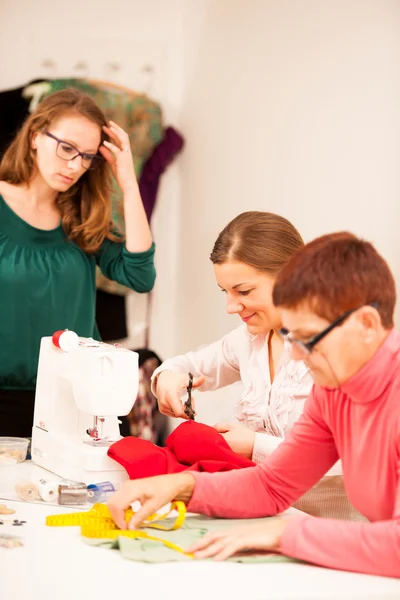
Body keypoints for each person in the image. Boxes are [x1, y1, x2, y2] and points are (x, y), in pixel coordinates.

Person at [108, 232, 400, 578]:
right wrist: (180, 487)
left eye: (307, 339)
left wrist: (282, 534)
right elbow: (273, 486)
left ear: (366, 323)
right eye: (291, 338)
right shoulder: (334, 390)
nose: (295, 354)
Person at [151, 211, 359, 519]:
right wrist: (167, 378)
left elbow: (358, 458)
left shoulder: (345, 345)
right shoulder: (250, 340)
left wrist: (256, 446)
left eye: (244, 291)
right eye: (226, 292)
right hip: (270, 516)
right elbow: (186, 365)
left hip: (336, 530)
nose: (231, 307)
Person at [0, 88, 156, 437]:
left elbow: (140, 275)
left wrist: (128, 183)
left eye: (87, 156)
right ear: (36, 136)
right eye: (67, 148)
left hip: (74, 401)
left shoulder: (82, 217)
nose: (75, 165)